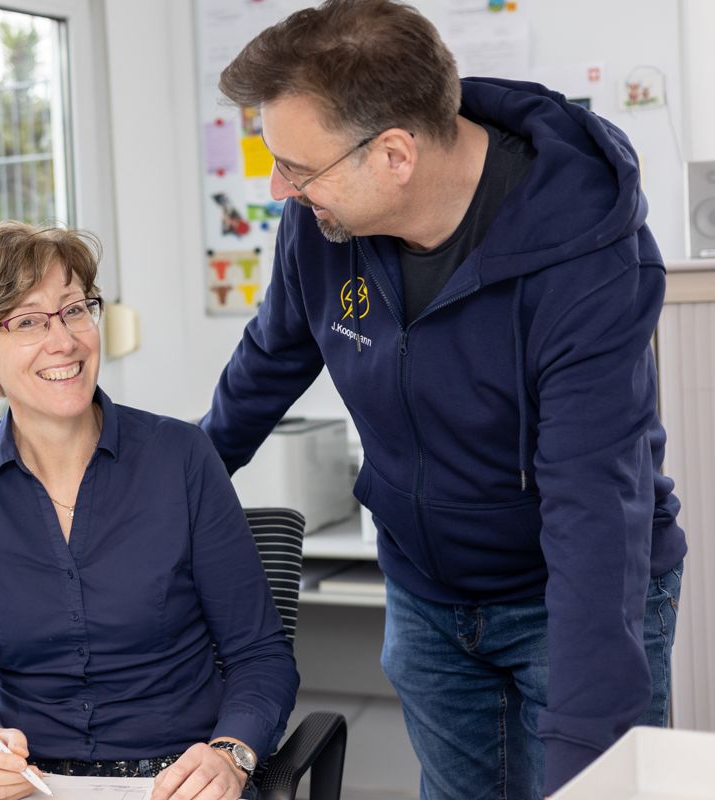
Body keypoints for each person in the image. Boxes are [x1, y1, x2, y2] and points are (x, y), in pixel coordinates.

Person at [198, 2, 686, 798]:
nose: (281, 189)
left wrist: (590, 767)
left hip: (563, 593)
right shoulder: (323, 228)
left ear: (394, 154)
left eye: (297, 166)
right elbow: (264, 368)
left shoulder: (587, 259)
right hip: (427, 591)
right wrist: (159, 486)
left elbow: (595, 509)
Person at [0, 220, 299, 800]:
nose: (65, 340)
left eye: (75, 309)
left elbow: (260, 655)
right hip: (34, 786)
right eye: (27, 321)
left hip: (180, 784)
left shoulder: (182, 456)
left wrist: (231, 754)